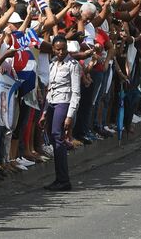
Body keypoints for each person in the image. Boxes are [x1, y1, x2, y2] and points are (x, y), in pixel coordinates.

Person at [39, 36, 80, 192]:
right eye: (58, 49)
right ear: (53, 49)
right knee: (54, 137)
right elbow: (50, 89)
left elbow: (76, 92)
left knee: (57, 136)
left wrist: (70, 115)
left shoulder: (73, 65)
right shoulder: (52, 64)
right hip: (52, 102)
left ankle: (63, 180)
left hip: (65, 101)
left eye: (63, 48)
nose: (61, 52)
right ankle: (59, 178)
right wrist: (44, 113)